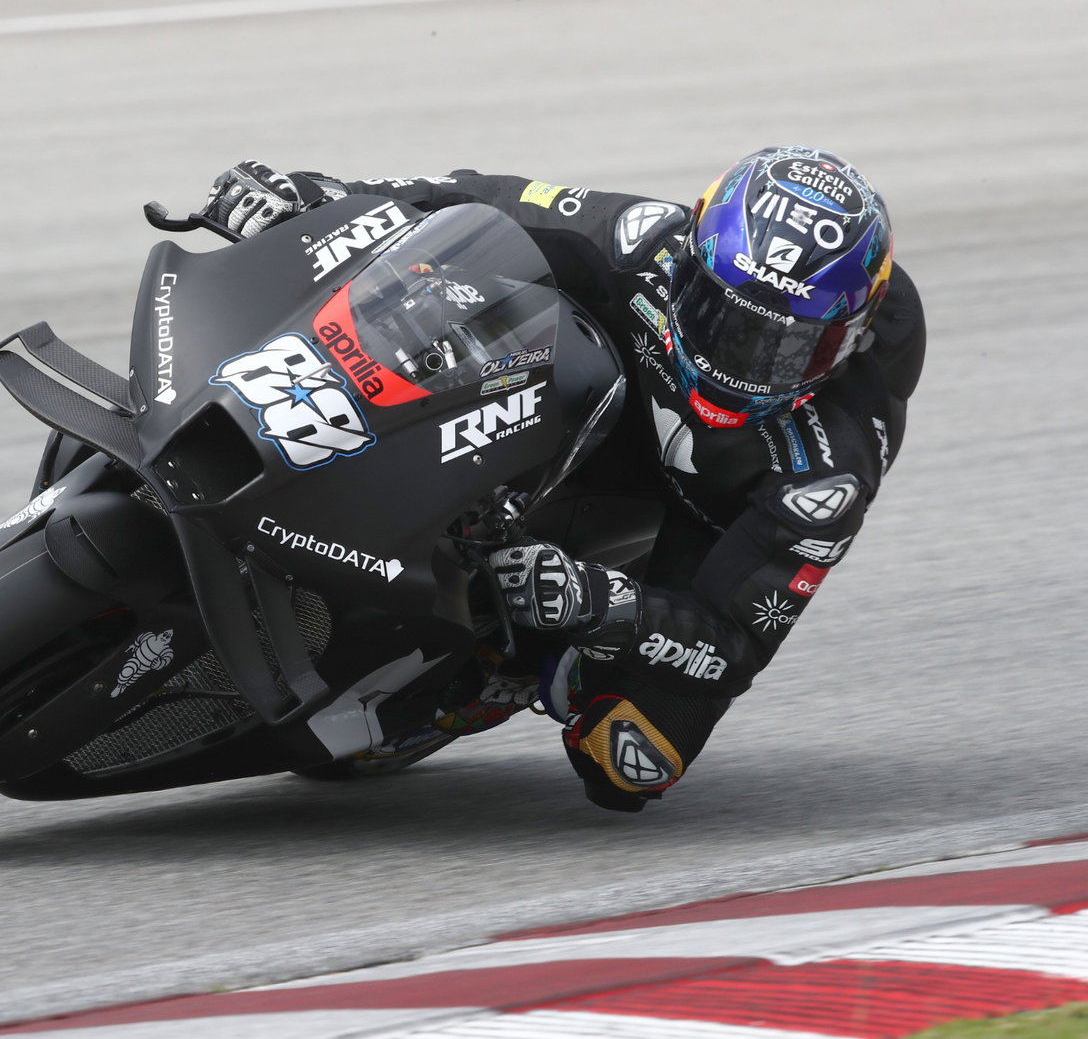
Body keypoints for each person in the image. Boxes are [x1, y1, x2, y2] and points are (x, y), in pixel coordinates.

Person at [196, 152, 925, 811]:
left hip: (703, 520)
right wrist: (320, 197)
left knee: (630, 759)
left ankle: (499, 673)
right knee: (452, 284)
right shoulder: (645, 240)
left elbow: (731, 643)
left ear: (850, 339)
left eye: (788, 348)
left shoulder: (825, 472)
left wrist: (598, 603)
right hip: (592, 392)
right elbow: (482, 199)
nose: (740, 362)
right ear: (689, 262)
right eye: (719, 316)